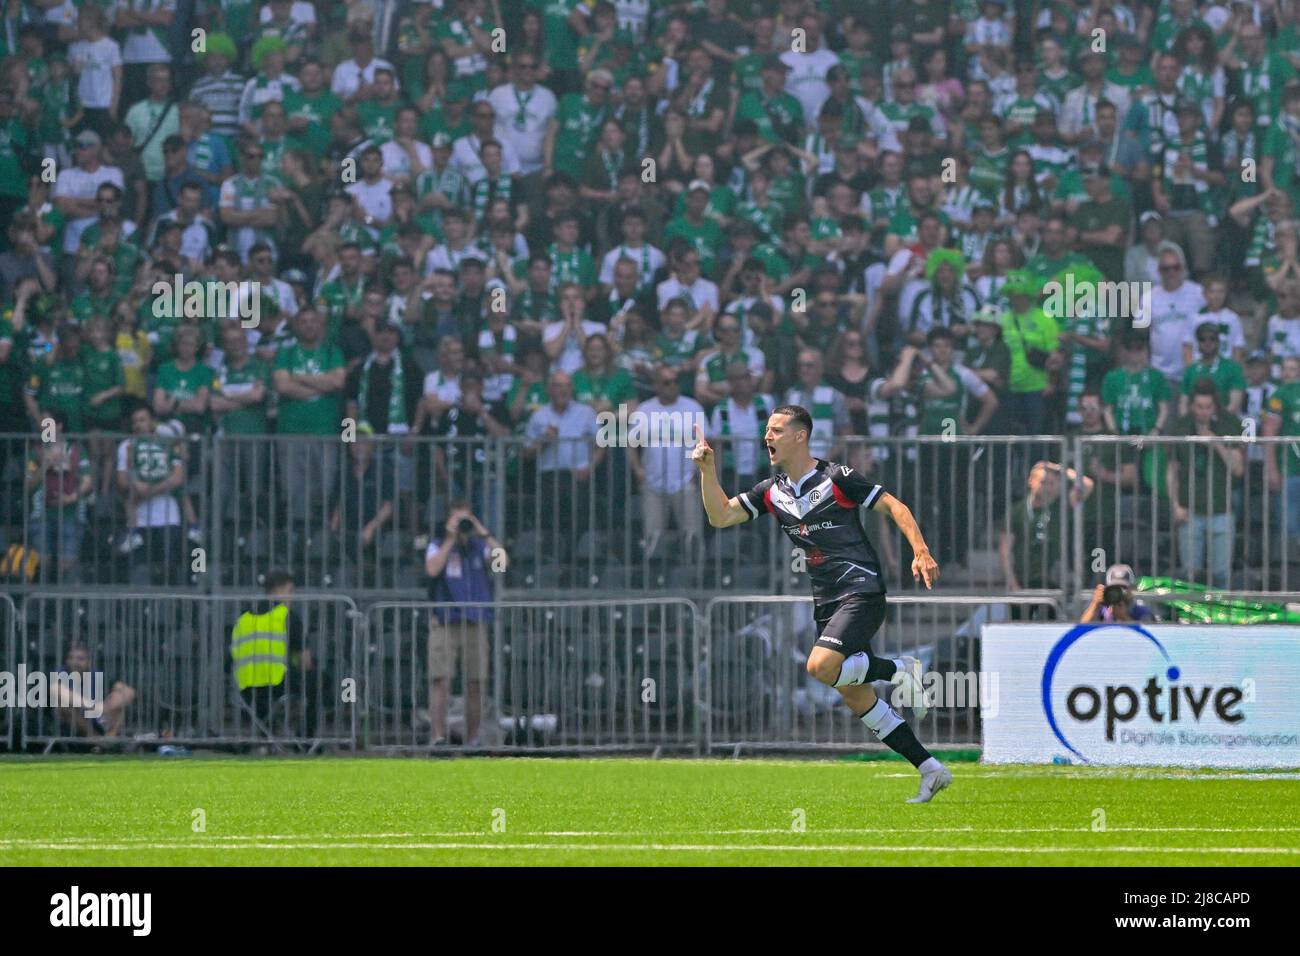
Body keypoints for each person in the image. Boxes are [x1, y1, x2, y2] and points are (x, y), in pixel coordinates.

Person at [692, 405, 952, 803]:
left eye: (776, 430)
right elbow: (721, 517)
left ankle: (901, 669)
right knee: (854, 694)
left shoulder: (838, 478)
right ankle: (930, 768)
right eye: (766, 430)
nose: (768, 437)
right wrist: (707, 471)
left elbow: (896, 507)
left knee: (820, 666)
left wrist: (920, 551)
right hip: (827, 602)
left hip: (861, 591)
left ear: (800, 435)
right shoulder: (772, 492)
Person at [425, 503, 507, 746]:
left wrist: (482, 532)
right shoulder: (436, 544)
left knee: (476, 682)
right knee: (441, 679)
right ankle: (438, 737)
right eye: (457, 518)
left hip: (475, 620)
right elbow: (432, 570)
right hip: (445, 619)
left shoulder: (478, 546)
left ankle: (473, 740)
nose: (462, 524)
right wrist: (450, 539)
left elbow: (502, 562)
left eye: (466, 518)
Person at [230, 569, 316, 737]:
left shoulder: (243, 618)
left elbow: (230, 659)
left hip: (245, 690)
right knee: (319, 682)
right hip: (278, 686)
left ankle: (266, 737)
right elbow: (305, 663)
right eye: (291, 591)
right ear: (281, 589)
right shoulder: (288, 617)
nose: (293, 597)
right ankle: (305, 739)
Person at [1081, 563, 1158, 623]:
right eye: (1115, 587)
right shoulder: (1101, 608)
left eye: (1123, 588)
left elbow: (1147, 638)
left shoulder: (1141, 610)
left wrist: (1124, 618)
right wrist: (1095, 604)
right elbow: (1081, 630)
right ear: (1107, 588)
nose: (1119, 592)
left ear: (1131, 589)